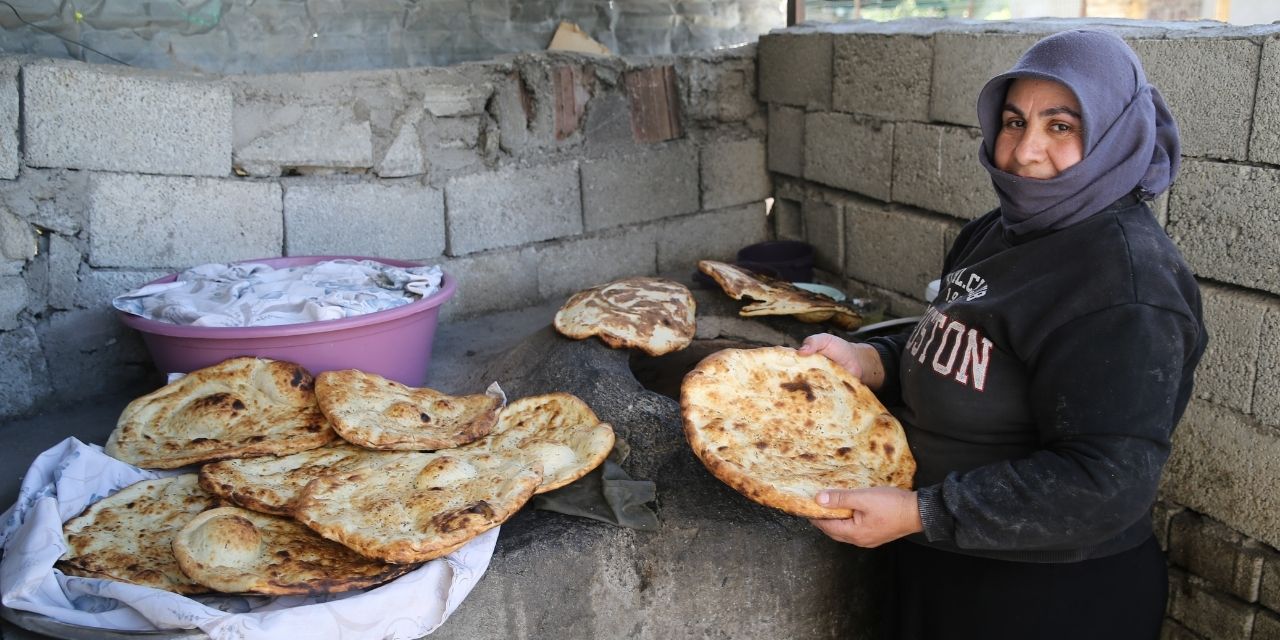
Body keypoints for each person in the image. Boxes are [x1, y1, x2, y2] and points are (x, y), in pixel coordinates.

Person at [796, 29, 1207, 639]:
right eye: (1014, 121)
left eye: (1061, 126)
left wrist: (921, 511)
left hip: (1048, 598)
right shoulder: (1003, 230)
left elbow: (1104, 481)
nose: (1024, 152)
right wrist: (872, 359)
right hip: (946, 561)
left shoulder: (1126, 285)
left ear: (1116, 133)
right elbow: (969, 345)